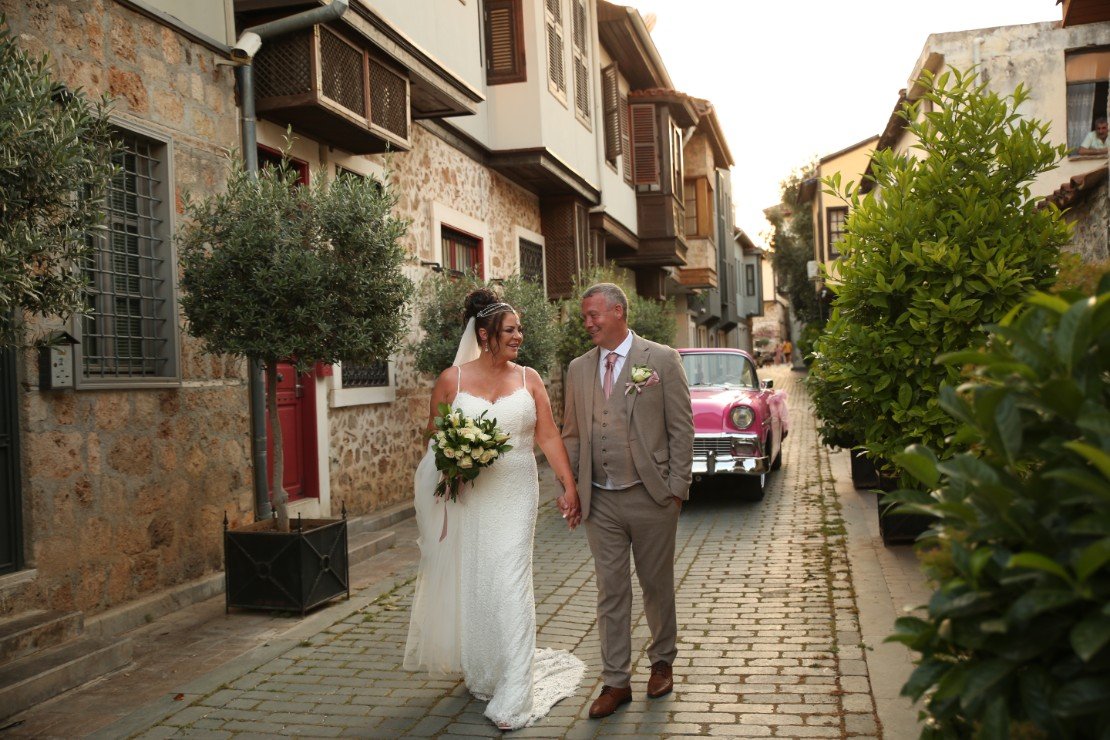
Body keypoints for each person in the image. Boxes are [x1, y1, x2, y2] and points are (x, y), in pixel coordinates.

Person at [404, 289, 585, 731]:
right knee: (479, 579)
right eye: (510, 330)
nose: (518, 336)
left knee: (510, 580)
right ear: (484, 336)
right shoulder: (451, 380)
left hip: (517, 492)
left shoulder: (529, 379)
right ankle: (488, 668)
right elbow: (434, 437)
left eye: (520, 329)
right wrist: (453, 465)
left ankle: (516, 691)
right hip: (473, 496)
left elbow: (548, 435)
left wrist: (568, 484)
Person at [560, 283, 694, 719]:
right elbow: (572, 433)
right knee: (610, 591)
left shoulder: (661, 359)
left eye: (594, 315)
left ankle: (662, 662)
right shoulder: (578, 368)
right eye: (585, 316)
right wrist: (571, 488)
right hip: (600, 501)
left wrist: (676, 489)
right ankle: (616, 681)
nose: (588, 323)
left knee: (656, 584)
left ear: (618, 311)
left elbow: (681, 428)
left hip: (652, 496)